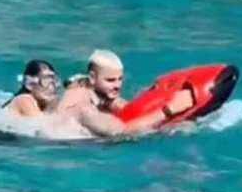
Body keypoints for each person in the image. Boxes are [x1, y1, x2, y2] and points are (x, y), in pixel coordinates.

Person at [56, 49, 194, 138]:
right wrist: (168, 111)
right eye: (110, 80)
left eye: (120, 79)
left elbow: (129, 111)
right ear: (92, 78)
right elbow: (122, 132)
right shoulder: (83, 108)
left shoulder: (96, 91)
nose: (117, 86)